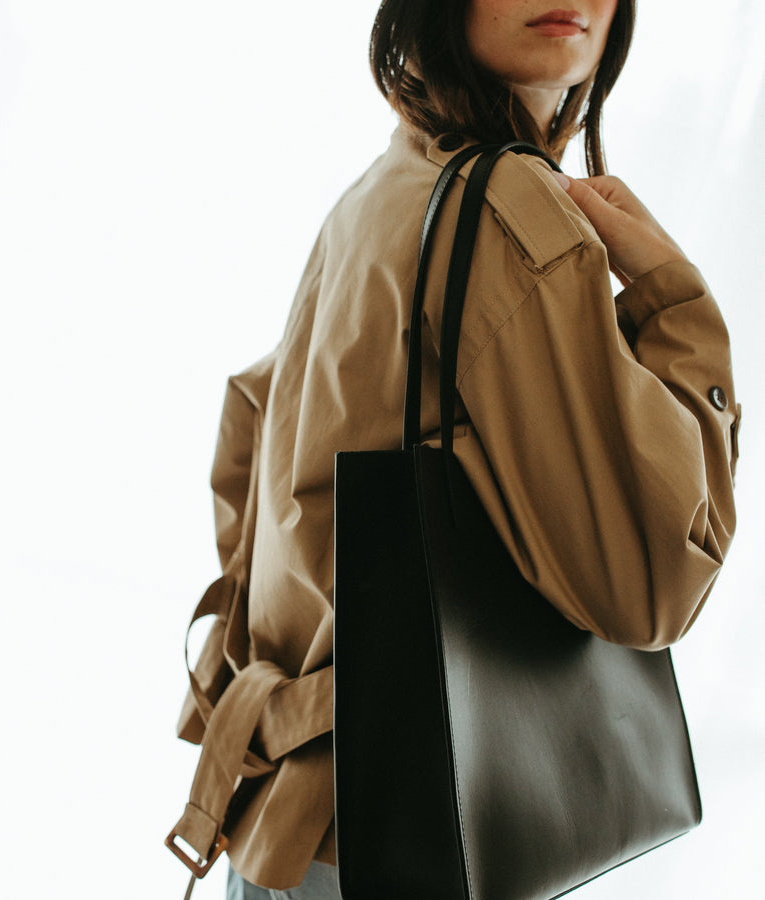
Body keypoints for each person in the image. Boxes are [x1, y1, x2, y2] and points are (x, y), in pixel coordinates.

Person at [169, 2, 739, 898]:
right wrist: (675, 306)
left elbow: (255, 437)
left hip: (293, 820)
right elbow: (652, 584)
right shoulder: (506, 207)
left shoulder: (395, 176)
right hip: (405, 841)